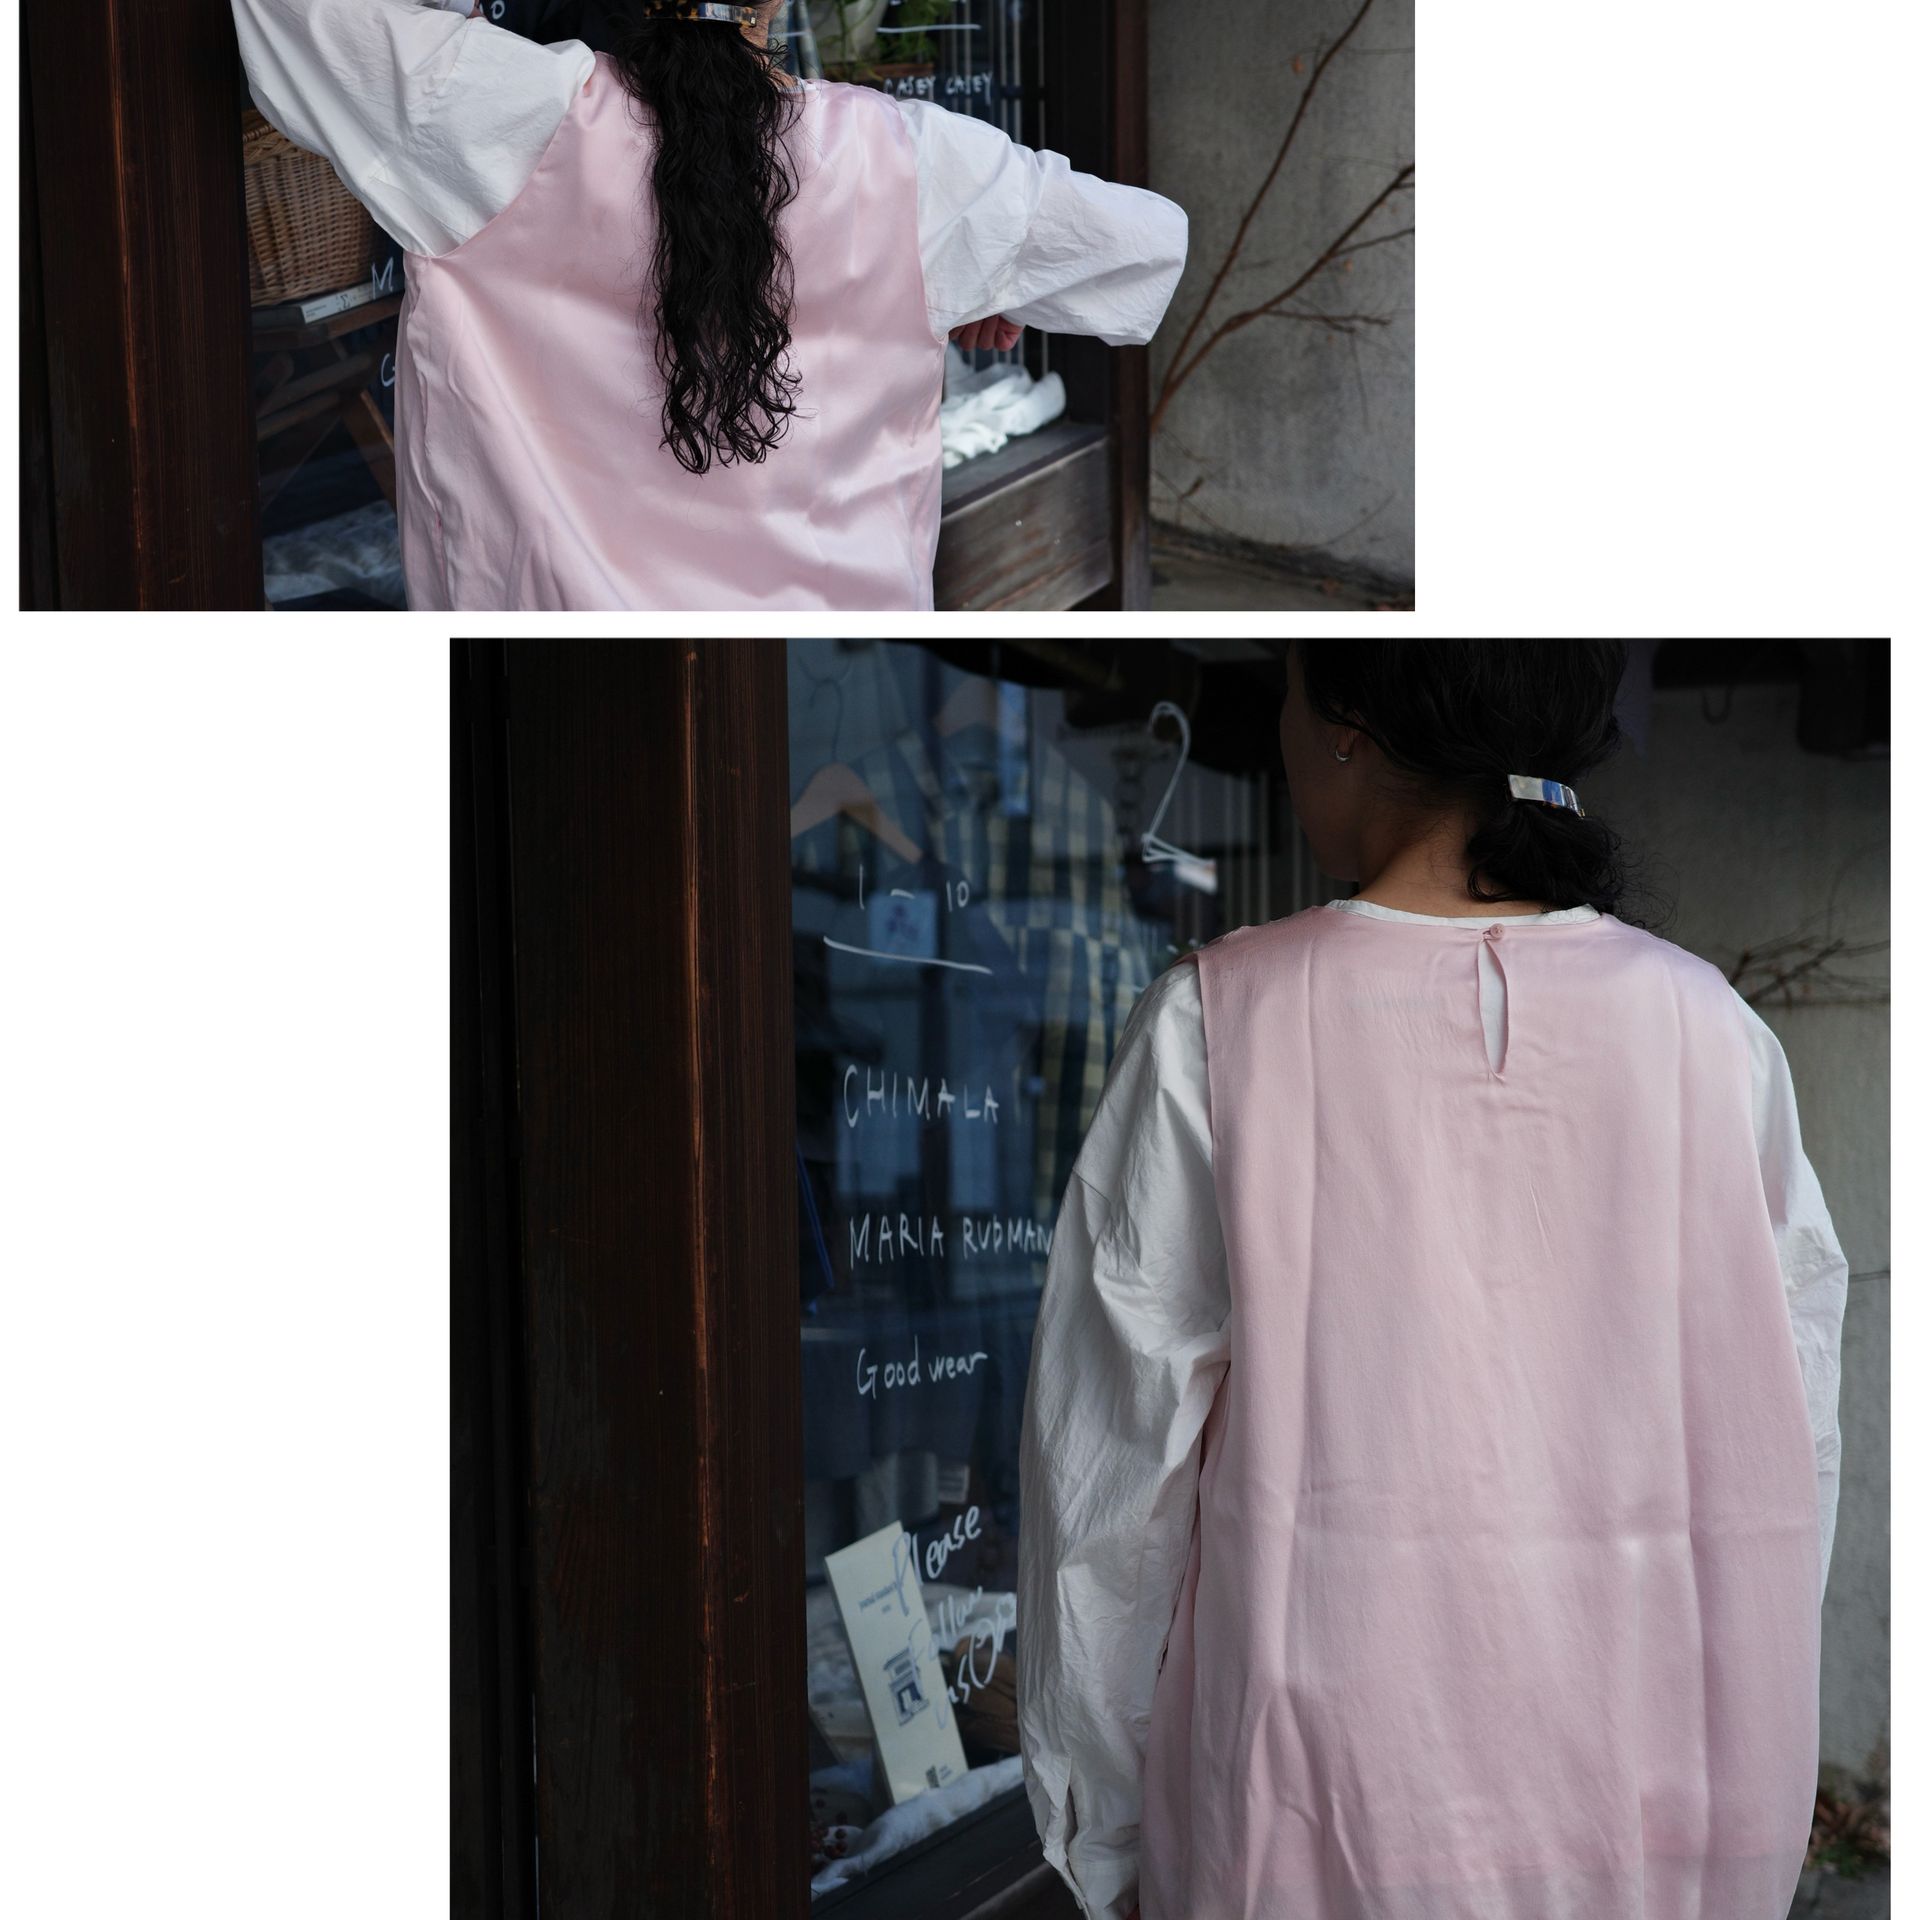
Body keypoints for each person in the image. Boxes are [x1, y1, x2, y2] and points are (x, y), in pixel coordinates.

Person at [1017, 641, 1849, 1920]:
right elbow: (1793, 1451)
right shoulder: (1715, 1038)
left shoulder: (1220, 1027)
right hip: (1655, 1820)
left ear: (1346, 721)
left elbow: (1110, 1488)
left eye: (1290, 693)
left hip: (1306, 1827)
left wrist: (1108, 1832)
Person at [228, 0, 1189, 611]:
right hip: (819, 668)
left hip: (541, 695)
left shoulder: (498, 112)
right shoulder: (918, 165)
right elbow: (1143, 246)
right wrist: (986, 270)